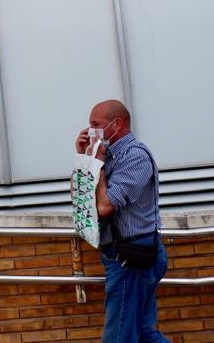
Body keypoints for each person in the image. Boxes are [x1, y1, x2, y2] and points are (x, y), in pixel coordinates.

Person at [75, 99, 171, 343]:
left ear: (117, 125)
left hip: (133, 256)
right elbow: (84, 199)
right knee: (144, 333)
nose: (91, 131)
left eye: (96, 125)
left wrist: (98, 164)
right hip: (121, 254)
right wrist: (85, 158)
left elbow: (105, 206)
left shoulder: (135, 157)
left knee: (118, 337)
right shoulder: (109, 155)